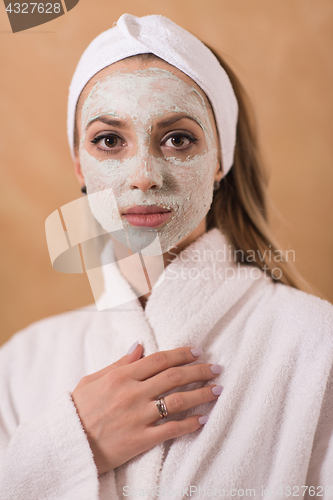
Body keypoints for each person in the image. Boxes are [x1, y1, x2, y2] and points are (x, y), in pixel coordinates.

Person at [0, 13, 332, 500]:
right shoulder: (21, 364)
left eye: (178, 139)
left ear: (221, 158)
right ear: (79, 165)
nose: (143, 175)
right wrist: (74, 443)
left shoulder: (317, 346)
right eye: (109, 141)